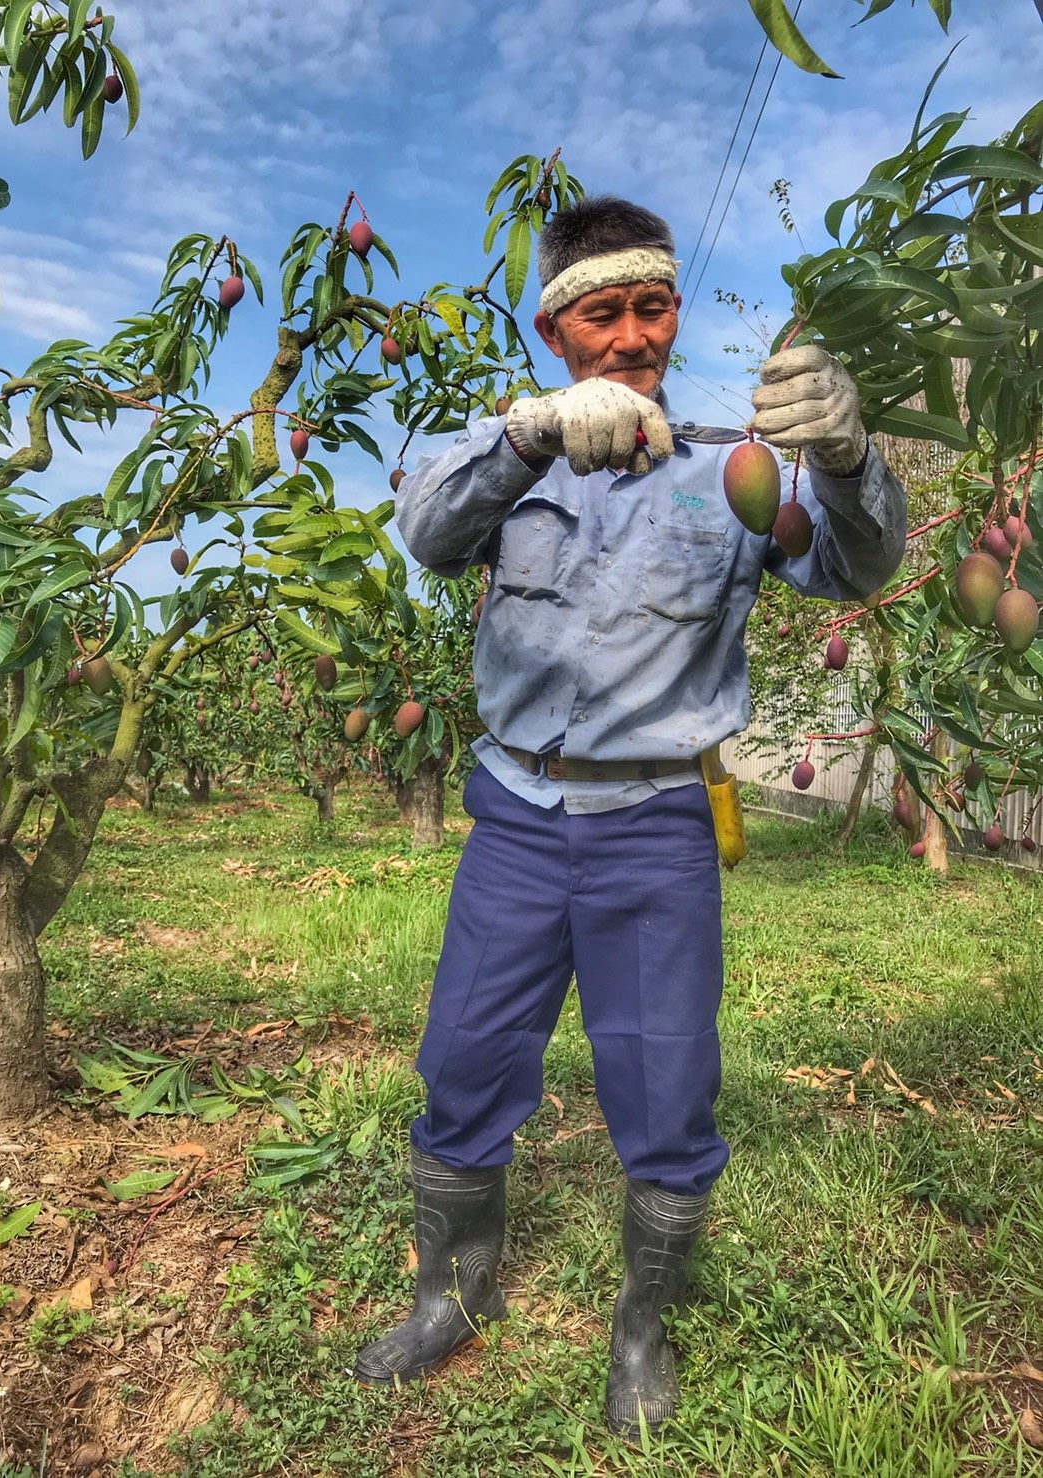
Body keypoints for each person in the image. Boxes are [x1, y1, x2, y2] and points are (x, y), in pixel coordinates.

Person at [355, 196, 907, 1438]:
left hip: (656, 820)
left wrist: (848, 456)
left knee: (664, 1085)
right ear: (556, 330)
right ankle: (451, 1288)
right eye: (601, 313)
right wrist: (530, 435)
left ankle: (642, 1326)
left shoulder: (729, 470)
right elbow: (428, 532)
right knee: (463, 1058)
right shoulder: (509, 446)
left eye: (650, 308)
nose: (632, 335)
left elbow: (853, 567)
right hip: (515, 812)